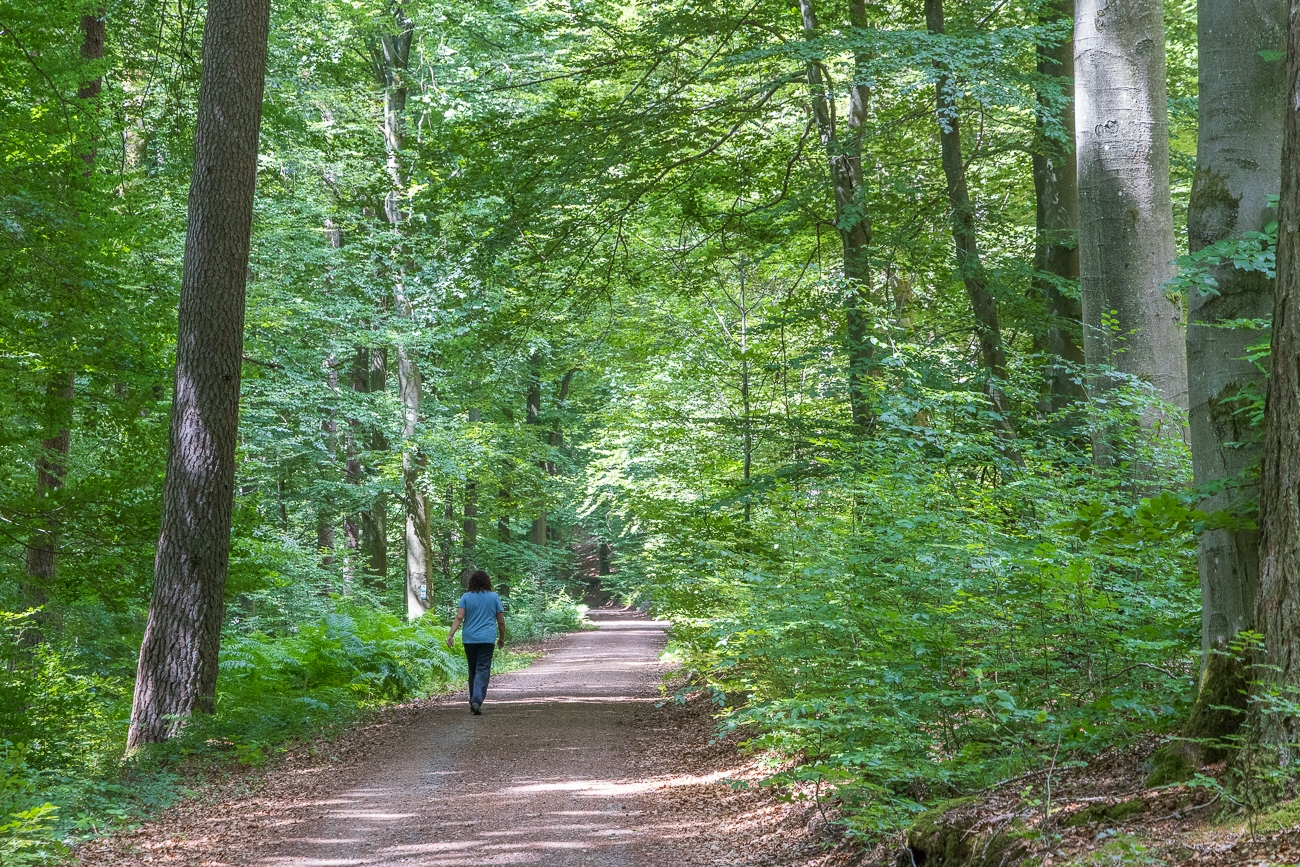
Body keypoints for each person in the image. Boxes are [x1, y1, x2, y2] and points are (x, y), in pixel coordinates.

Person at [446, 570, 506, 714]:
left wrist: (451, 635)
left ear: (471, 582)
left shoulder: (466, 597)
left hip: (469, 639)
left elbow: (459, 618)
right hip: (487, 639)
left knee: (472, 670)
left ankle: (474, 699)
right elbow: (501, 621)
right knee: (483, 669)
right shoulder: (494, 597)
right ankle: (476, 700)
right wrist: (502, 637)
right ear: (487, 582)